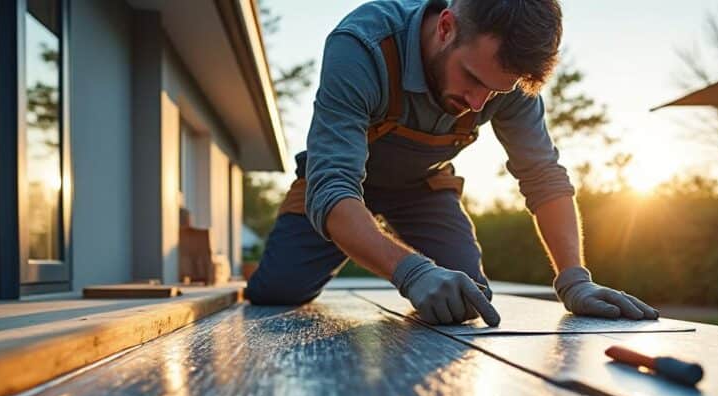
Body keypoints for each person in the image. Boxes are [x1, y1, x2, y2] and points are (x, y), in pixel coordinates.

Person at [247, 0, 659, 326]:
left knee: (464, 299)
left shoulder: (509, 79)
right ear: (446, 27)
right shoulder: (362, 45)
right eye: (473, 79)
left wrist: (574, 280)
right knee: (276, 292)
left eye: (496, 91)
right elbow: (333, 186)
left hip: (422, 187)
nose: (478, 104)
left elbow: (543, 177)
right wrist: (409, 271)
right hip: (336, 189)